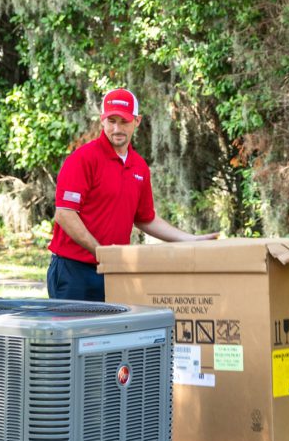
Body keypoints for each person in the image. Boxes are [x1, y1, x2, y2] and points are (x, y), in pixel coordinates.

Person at [47, 88, 218, 301]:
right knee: (75, 334)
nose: (117, 128)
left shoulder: (139, 167)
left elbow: (145, 218)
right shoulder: (83, 159)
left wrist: (189, 239)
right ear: (102, 121)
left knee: (112, 334)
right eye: (111, 121)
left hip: (113, 271)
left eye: (124, 122)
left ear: (137, 121)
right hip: (74, 272)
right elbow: (65, 214)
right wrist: (101, 252)